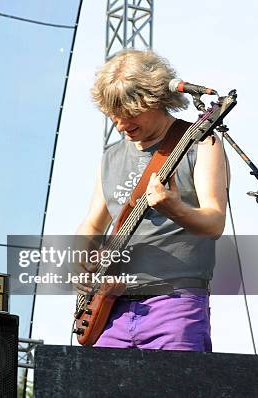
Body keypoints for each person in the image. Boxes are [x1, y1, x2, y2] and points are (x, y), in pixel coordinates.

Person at [75, 49, 227, 351]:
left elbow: (214, 221)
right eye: (113, 114)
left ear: (156, 98)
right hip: (109, 310)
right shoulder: (112, 157)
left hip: (175, 304)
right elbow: (92, 224)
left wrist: (175, 208)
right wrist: (81, 263)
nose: (120, 124)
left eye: (129, 112)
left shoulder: (202, 143)